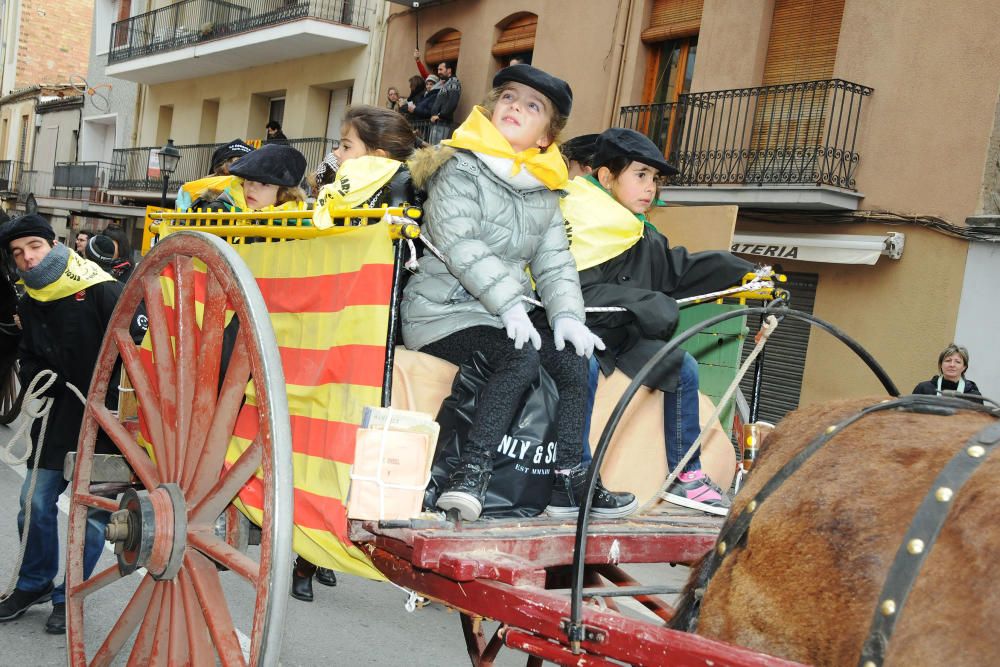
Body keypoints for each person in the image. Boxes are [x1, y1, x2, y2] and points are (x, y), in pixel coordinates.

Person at [401, 64, 637, 522]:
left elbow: (555, 261)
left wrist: (569, 317)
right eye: (509, 97)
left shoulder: (544, 191)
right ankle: (470, 473)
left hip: (496, 316)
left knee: (572, 358)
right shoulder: (459, 167)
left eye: (533, 106)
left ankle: (571, 478)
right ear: (493, 109)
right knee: (519, 357)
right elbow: (461, 245)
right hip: (441, 312)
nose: (516, 107)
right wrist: (511, 305)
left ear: (547, 136)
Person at [567, 128, 756, 515]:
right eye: (640, 175)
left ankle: (686, 478)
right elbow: (573, 292)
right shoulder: (575, 216)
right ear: (605, 177)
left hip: (620, 338)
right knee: (579, 365)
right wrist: (645, 303)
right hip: (575, 331)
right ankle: (578, 476)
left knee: (681, 364)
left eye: (654, 178)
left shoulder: (642, 233)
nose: (650, 187)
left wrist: (747, 273)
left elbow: (678, 270)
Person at [0, 214, 120, 634]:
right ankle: (33, 583)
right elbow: (28, 355)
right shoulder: (28, 300)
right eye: (17, 254)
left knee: (89, 518)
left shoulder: (102, 287)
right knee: (33, 503)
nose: (27, 258)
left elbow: (134, 350)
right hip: (55, 416)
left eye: (33, 246)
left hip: (106, 422)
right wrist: (38, 378)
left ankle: (71, 594)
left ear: (54, 243)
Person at [176, 143, 307, 213]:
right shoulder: (217, 211)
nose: (251, 189)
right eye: (248, 180)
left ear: (284, 194)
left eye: (263, 183)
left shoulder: (299, 223)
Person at [912, 344, 982, 399]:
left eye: (957, 362)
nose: (952, 365)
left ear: (964, 367)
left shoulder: (973, 394)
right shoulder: (923, 389)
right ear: (941, 364)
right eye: (948, 361)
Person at [428, 61, 462, 142]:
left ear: (449, 70)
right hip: (438, 124)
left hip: (443, 124)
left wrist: (440, 116)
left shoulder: (454, 81)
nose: (438, 72)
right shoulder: (447, 83)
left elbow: (452, 102)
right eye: (438, 70)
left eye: (441, 69)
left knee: (436, 151)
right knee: (433, 149)